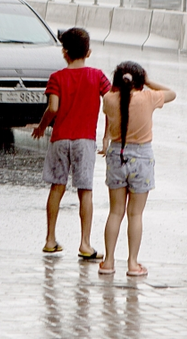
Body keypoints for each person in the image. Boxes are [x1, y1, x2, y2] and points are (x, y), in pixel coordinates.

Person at [32, 28, 110, 259]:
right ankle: (85, 244)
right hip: (84, 140)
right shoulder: (97, 76)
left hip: (60, 140)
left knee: (57, 187)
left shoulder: (57, 78)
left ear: (64, 52)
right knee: (85, 190)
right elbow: (110, 103)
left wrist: (42, 126)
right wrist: (107, 135)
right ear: (89, 51)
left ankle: (50, 239)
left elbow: (53, 108)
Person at [98, 61, 176, 277]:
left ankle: (108, 262)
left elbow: (112, 104)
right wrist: (148, 81)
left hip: (117, 155)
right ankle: (132, 263)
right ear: (140, 81)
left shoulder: (109, 99)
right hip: (142, 157)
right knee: (135, 214)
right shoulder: (148, 97)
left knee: (115, 212)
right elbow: (172, 93)